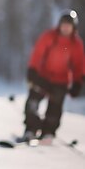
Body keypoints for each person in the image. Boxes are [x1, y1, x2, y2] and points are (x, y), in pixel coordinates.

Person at [21, 9, 83, 143]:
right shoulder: (49, 37)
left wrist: (78, 82)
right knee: (32, 103)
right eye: (64, 24)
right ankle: (31, 129)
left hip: (60, 81)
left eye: (69, 25)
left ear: (73, 28)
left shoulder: (76, 44)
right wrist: (32, 70)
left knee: (55, 109)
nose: (66, 28)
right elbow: (37, 54)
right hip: (43, 77)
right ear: (59, 25)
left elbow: (79, 65)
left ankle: (48, 132)